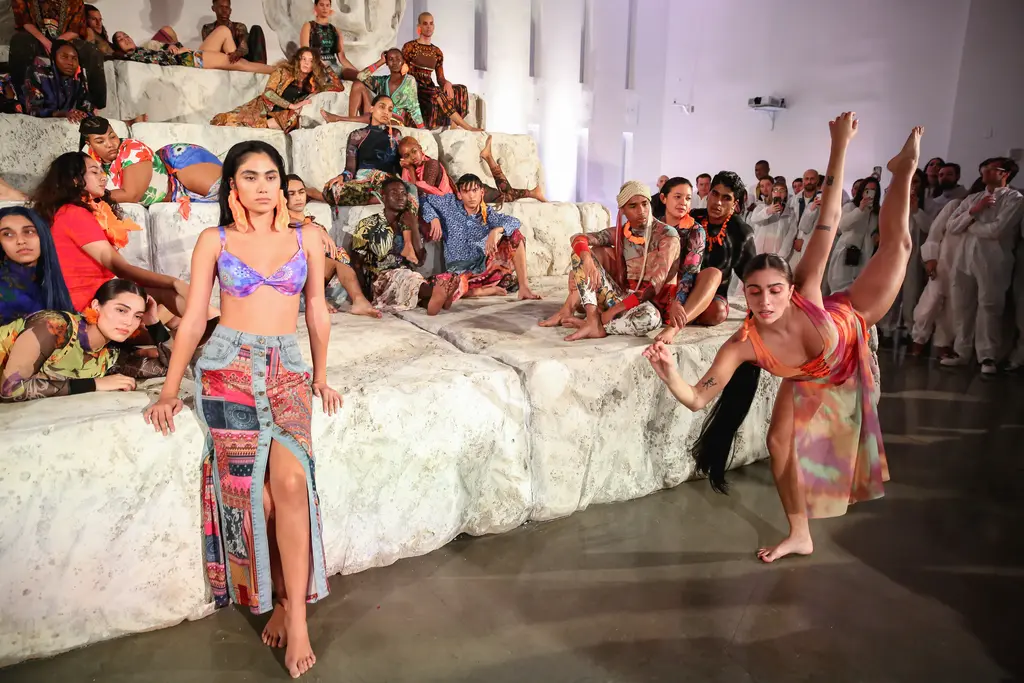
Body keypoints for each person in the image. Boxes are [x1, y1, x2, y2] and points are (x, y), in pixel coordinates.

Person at [645, 113, 915, 563]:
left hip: (849, 324)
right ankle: (800, 534)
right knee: (778, 444)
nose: (765, 302)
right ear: (745, 293)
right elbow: (696, 399)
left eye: (774, 291)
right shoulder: (743, 344)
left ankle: (902, 170)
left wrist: (840, 145)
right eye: (754, 292)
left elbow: (829, 214)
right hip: (807, 375)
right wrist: (669, 372)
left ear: (790, 290)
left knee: (899, 247)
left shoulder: (806, 287)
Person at [144, 141, 342, 680]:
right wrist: (169, 389)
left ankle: (296, 616)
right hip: (226, 370)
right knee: (259, 495)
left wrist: (320, 376)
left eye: (270, 176)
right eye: (249, 176)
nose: (261, 186)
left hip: (285, 370)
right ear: (232, 185)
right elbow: (194, 319)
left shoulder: (306, 238)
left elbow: (316, 310)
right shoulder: (216, 240)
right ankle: (278, 598)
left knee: (292, 481)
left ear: (282, 183)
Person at [33, 152, 195, 318]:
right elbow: (120, 267)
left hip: (101, 295)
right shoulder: (73, 213)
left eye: (102, 172)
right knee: (170, 294)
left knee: (176, 313)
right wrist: (174, 282)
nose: (103, 177)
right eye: (94, 172)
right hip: (84, 305)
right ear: (75, 179)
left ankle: (190, 328)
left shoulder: (76, 211)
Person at [539, 180, 699, 341]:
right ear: (622, 210)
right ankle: (591, 319)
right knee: (581, 253)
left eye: (645, 204)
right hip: (621, 297)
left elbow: (653, 287)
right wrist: (587, 259)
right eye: (633, 206)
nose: (641, 211)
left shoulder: (667, 235)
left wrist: (612, 312)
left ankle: (597, 325)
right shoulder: (620, 233)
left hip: (651, 305)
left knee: (650, 319)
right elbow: (577, 238)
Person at [0, 278, 171, 402]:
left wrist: (153, 322)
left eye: (137, 316)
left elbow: (170, 367)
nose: (129, 322)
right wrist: (95, 384)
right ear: (96, 306)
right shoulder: (55, 326)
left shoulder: (110, 355)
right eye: (121, 310)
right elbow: (10, 389)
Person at [941, 157, 1024, 374]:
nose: (985, 171)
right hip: (964, 258)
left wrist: (969, 226)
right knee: (962, 304)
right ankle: (961, 351)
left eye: (991, 169)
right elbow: (952, 226)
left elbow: (997, 230)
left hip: (994, 261)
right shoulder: (973, 199)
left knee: (990, 306)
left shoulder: (1014, 199)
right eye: (984, 167)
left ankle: (987, 357)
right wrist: (973, 212)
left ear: (1005, 173)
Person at [655, 171, 756, 343]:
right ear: (708, 194)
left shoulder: (741, 232)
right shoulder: (693, 217)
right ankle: (678, 312)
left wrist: (755, 316)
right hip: (677, 287)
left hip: (710, 296)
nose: (717, 202)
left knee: (717, 308)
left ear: (734, 204)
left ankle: (675, 326)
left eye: (726, 198)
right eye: (715, 194)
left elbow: (752, 279)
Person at [421, 173, 541, 314]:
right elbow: (423, 199)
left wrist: (496, 231)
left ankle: (524, 288)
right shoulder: (449, 204)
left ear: (482, 193)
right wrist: (433, 218)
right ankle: (478, 291)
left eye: (475, 190)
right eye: (466, 191)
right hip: (458, 271)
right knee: (447, 284)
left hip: (485, 269)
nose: (471, 196)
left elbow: (514, 222)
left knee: (515, 235)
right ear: (459, 194)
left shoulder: (487, 213)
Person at [284, 174, 379, 317]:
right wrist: (311, 228)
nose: (298, 197)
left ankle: (359, 301)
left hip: (323, 283)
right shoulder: (281, 222)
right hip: (293, 284)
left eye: (301, 192)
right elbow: (289, 223)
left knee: (339, 259)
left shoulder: (314, 224)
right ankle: (316, 299)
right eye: (291, 194)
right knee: (306, 255)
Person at [908, 179, 984, 358]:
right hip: (943, 263)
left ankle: (943, 343)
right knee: (930, 303)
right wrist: (931, 258)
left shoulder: (986, 212)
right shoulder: (955, 206)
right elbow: (935, 232)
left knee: (954, 307)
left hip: (965, 266)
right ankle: (918, 339)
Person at [80, 116, 223, 208]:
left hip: (179, 166)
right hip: (172, 193)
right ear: (89, 144)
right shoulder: (90, 159)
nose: (110, 144)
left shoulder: (132, 149)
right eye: (100, 141)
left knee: (226, 192)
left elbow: (131, 195)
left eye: (112, 137)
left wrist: (87, 196)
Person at [349, 175, 444, 313]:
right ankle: (436, 294)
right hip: (379, 282)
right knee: (408, 279)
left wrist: (414, 226)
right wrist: (362, 295)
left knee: (409, 278)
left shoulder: (407, 224)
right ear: (383, 197)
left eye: (403, 193)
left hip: (405, 279)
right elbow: (356, 263)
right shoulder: (368, 224)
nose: (400, 197)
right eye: (394, 193)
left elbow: (420, 260)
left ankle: (433, 298)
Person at [318, 95, 419, 211]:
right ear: (371, 109)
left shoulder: (395, 135)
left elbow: (399, 167)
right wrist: (341, 177)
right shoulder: (357, 135)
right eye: (382, 107)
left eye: (390, 109)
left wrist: (407, 166)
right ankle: (384, 199)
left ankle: (385, 198)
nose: (386, 112)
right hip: (364, 183)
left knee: (409, 189)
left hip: (387, 183)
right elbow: (350, 170)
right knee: (331, 190)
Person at [9, 0, 107, 109]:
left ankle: (95, 105)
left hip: (64, 39)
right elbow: (24, 21)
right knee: (19, 41)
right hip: (36, 37)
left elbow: (77, 28)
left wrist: (57, 43)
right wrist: (46, 42)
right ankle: (22, 101)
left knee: (92, 52)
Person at [398, 135, 546, 205]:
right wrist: (409, 169)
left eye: (414, 151)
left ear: (420, 149)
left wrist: (409, 168)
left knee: (504, 196)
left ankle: (532, 192)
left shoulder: (431, 164)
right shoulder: (412, 169)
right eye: (407, 156)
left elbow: (422, 190)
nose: (412, 157)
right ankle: (532, 192)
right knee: (505, 194)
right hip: (461, 193)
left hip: (462, 193)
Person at [211, 48, 328, 133]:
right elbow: (268, 93)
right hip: (262, 109)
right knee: (224, 121)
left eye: (311, 61)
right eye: (304, 59)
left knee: (290, 119)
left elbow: (336, 87)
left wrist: (326, 66)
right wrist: (291, 105)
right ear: (298, 60)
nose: (307, 63)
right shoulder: (283, 71)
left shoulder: (313, 84)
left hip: (283, 116)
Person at [402, 12, 480, 131]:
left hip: (429, 86)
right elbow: (401, 70)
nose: (428, 27)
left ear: (434, 26)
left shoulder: (437, 52)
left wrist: (447, 83)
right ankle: (467, 126)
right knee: (436, 92)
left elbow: (440, 78)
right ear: (419, 26)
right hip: (415, 87)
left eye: (431, 23)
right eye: (425, 24)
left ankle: (454, 126)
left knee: (461, 89)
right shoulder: (410, 46)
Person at [1, 206, 74, 325]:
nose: (20, 241)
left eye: (29, 232)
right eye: (8, 234)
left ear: (43, 235)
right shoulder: (5, 290)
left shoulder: (49, 278)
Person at [321, 49, 423, 126]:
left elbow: (414, 106)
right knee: (358, 84)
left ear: (403, 61)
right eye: (391, 59)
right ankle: (352, 122)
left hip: (394, 119)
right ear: (387, 63)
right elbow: (361, 76)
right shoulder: (383, 81)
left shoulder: (409, 80)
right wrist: (380, 61)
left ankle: (339, 119)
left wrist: (422, 128)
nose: (395, 62)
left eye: (398, 59)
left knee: (373, 116)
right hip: (376, 115)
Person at [110, 29, 274, 74]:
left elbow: (163, 48)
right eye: (120, 39)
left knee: (223, 30)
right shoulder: (132, 57)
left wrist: (172, 47)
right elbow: (160, 59)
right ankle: (276, 70)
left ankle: (233, 66)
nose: (126, 38)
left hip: (189, 56)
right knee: (241, 63)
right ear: (118, 47)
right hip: (188, 60)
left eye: (126, 35)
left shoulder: (143, 49)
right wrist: (175, 53)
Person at [826, 176, 879, 294]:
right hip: (846, 254)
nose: (870, 193)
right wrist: (860, 209)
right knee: (838, 291)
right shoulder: (850, 206)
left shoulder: (876, 213)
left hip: (865, 257)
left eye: (873, 190)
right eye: (867, 190)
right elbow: (842, 226)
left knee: (857, 293)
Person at [22, 40, 92, 121]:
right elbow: (33, 110)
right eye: (64, 57)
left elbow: (86, 108)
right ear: (54, 58)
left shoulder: (78, 80)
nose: (70, 63)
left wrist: (81, 114)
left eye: (74, 58)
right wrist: (61, 114)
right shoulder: (38, 74)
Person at [85, 4, 177, 56]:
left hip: (137, 50)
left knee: (167, 30)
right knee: (164, 34)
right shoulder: (90, 33)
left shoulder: (104, 38)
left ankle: (178, 50)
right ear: (85, 20)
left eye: (100, 19)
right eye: (93, 19)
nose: (99, 23)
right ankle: (179, 53)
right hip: (132, 54)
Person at [300, 0, 358, 82]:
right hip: (317, 68)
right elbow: (305, 53)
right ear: (315, 7)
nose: (325, 8)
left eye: (327, 5)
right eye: (321, 5)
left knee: (360, 77)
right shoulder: (308, 26)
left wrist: (358, 73)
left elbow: (342, 58)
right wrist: (327, 68)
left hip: (335, 68)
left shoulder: (336, 30)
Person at [201, 0, 267, 64]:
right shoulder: (207, 28)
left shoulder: (239, 27)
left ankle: (259, 65)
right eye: (221, 7)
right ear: (213, 8)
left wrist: (237, 53)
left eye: (227, 7)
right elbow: (209, 49)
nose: (224, 11)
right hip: (220, 59)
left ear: (230, 11)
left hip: (238, 59)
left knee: (256, 28)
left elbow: (244, 46)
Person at [750, 179, 797, 259]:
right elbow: (754, 219)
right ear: (771, 193)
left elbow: (790, 237)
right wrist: (768, 211)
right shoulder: (761, 207)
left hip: (778, 257)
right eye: (775, 190)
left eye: (782, 190)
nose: (778, 193)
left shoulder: (790, 213)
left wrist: (780, 257)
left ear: (786, 194)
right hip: (759, 254)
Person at [787, 169, 822, 267]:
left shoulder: (822, 199)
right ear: (803, 180)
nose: (809, 181)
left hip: (812, 244)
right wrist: (796, 239)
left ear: (817, 180)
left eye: (812, 179)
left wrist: (803, 240)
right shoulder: (794, 200)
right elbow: (791, 223)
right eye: (806, 179)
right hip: (794, 244)